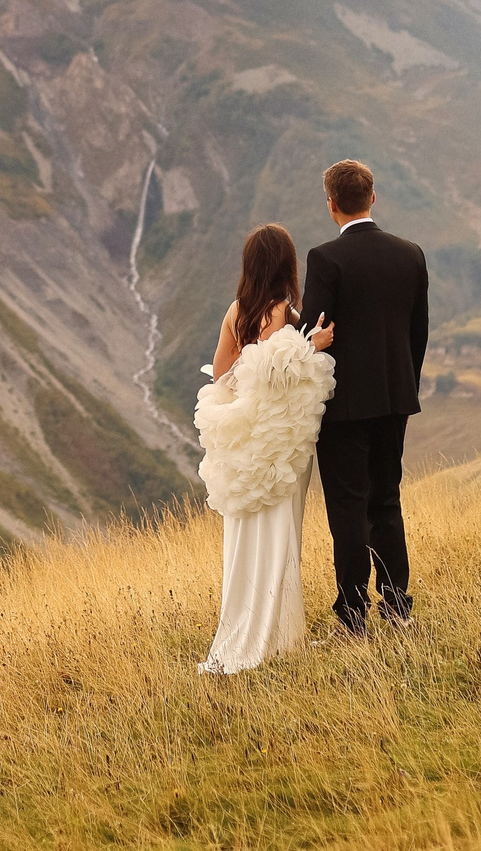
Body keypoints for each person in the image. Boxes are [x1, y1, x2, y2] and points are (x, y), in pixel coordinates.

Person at [192, 223, 336, 674]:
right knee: (279, 533)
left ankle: (247, 627)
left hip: (243, 446)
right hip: (276, 449)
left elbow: (221, 377)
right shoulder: (284, 314)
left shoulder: (237, 311)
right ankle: (271, 636)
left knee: (244, 538)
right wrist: (312, 344)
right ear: (285, 265)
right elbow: (277, 373)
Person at [299, 158, 429, 633]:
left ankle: (353, 616)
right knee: (387, 501)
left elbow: (312, 331)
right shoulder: (410, 253)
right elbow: (419, 334)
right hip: (395, 399)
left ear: (332, 205)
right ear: (373, 198)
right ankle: (397, 607)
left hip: (343, 409)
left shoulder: (324, 259)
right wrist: (402, 385)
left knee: (348, 509)